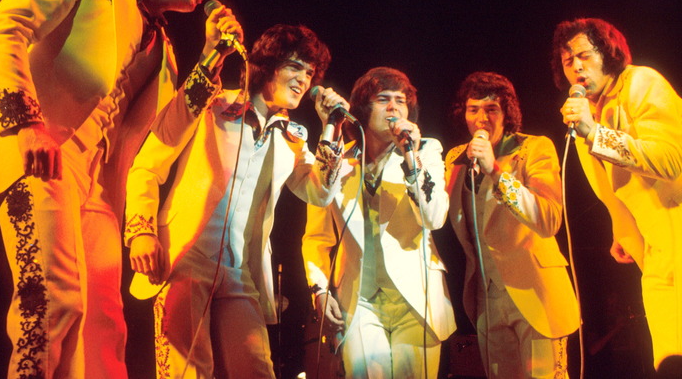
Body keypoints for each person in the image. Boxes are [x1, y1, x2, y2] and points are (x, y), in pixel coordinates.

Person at [0, 0, 236, 378]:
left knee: (104, 324)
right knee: (54, 301)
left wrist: (212, 59)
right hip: (44, 155)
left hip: (96, 184)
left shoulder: (164, 48)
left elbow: (161, 135)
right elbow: (4, 25)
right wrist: (25, 124)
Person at [123, 23, 348, 378]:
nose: (303, 79)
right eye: (294, 67)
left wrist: (331, 128)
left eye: (309, 72)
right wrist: (140, 232)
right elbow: (148, 167)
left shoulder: (292, 139)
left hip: (239, 271)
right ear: (267, 67)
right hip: (184, 258)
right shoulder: (212, 103)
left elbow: (320, 193)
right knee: (187, 372)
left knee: (257, 368)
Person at [554, 17, 682, 368]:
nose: (577, 66)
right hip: (658, 245)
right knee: (669, 360)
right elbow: (609, 190)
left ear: (608, 53)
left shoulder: (642, 81)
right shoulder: (587, 115)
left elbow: (669, 160)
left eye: (584, 54)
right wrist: (622, 227)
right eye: (569, 61)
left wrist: (595, 133)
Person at [301, 67, 455, 378]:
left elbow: (434, 216)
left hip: (417, 301)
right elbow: (316, 237)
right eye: (383, 99)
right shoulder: (337, 163)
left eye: (401, 100)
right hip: (360, 301)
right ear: (361, 110)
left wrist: (411, 158)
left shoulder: (427, 151)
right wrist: (319, 290)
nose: (394, 107)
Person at [444, 72, 580, 378]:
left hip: (536, 292)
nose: (481, 119)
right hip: (486, 297)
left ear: (507, 114)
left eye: (491, 109)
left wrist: (495, 171)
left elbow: (547, 219)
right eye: (473, 109)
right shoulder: (455, 159)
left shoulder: (534, 149)